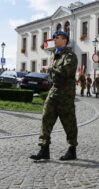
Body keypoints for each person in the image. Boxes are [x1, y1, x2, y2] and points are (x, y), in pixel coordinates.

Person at [30, 31, 78, 161]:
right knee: (46, 117)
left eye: (57, 38)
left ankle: (72, 149)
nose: (54, 40)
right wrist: (51, 68)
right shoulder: (55, 55)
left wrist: (50, 68)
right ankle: (44, 149)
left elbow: (66, 71)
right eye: (54, 38)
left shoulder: (70, 56)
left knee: (68, 121)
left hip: (66, 93)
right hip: (54, 90)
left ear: (65, 40)